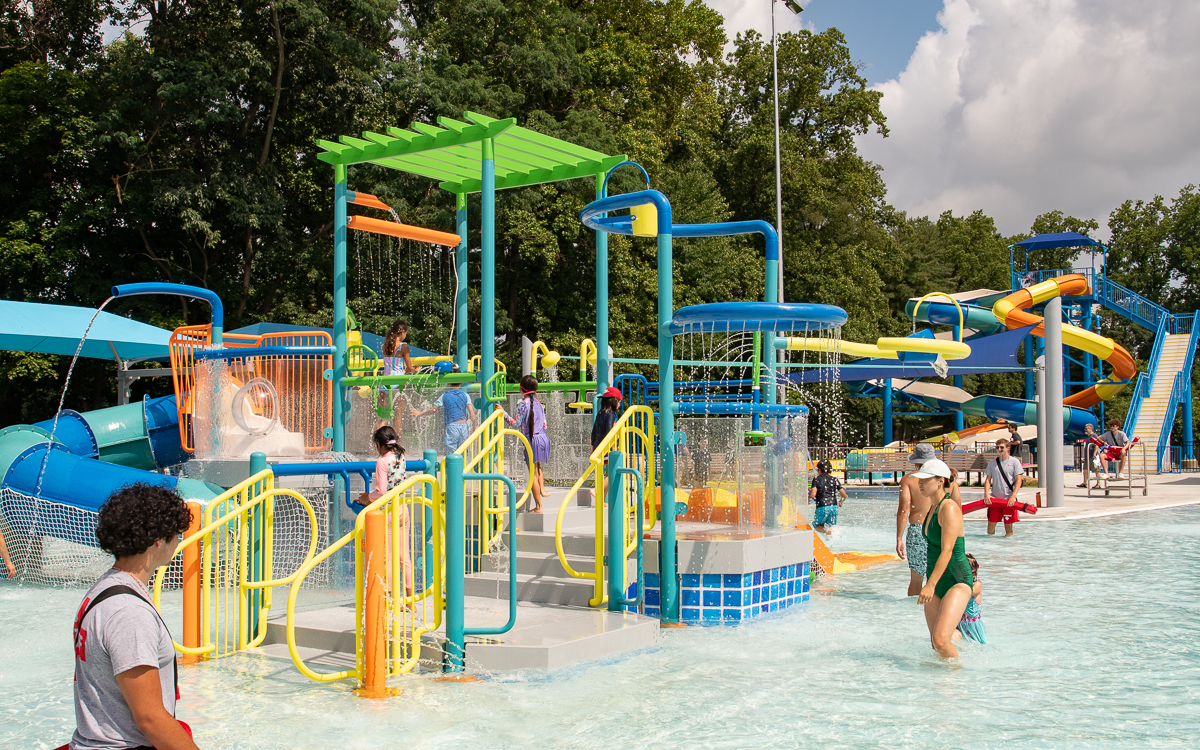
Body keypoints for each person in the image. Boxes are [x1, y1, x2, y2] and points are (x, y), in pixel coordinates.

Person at [67, 484, 200, 750]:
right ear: (157, 540)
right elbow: (150, 719)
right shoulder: (129, 613)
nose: (179, 541)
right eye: (176, 534)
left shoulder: (103, 588)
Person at [914, 459, 975, 661]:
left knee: (941, 641)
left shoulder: (948, 508)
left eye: (925, 479)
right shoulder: (932, 507)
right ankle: (942, 687)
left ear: (940, 481)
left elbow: (947, 551)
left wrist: (929, 585)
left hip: (955, 578)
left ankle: (959, 680)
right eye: (919, 480)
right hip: (935, 578)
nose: (920, 483)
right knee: (935, 644)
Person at [354, 426, 414, 593]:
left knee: (388, 556)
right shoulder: (401, 457)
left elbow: (381, 491)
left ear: (380, 444)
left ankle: (389, 597)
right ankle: (410, 601)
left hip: (388, 512)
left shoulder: (381, 462)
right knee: (404, 557)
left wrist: (367, 497)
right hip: (403, 508)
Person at [896, 443, 961, 597]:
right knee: (940, 576)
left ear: (916, 461)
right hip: (942, 530)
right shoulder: (948, 480)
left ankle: (913, 613)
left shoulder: (908, 479)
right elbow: (958, 511)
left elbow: (904, 509)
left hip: (918, 530)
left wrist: (899, 537)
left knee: (916, 579)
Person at [505, 375, 550, 513]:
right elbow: (544, 424)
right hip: (543, 438)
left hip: (532, 439)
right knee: (538, 466)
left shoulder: (523, 404)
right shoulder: (539, 403)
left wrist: (503, 414)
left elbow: (516, 423)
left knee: (532, 474)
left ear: (521, 388)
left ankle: (538, 506)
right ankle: (542, 489)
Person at [411, 376, 477, 454]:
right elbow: (471, 413)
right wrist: (475, 427)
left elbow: (433, 410)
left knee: (451, 453)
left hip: (452, 426)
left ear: (448, 383)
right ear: (461, 383)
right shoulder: (466, 395)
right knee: (463, 451)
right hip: (464, 426)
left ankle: (451, 466)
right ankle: (463, 465)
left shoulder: (444, 396)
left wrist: (420, 414)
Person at [378, 319, 416, 430]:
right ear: (403, 331)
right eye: (406, 333)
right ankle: (396, 445)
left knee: (384, 417)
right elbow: (409, 368)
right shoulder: (403, 346)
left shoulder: (385, 345)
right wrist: (416, 369)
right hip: (397, 382)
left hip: (384, 383)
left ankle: (377, 443)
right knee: (397, 418)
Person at [983, 438, 1025, 536]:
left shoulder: (1014, 462)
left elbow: (1019, 479)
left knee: (1008, 527)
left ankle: (1008, 548)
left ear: (1008, 448)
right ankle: (990, 546)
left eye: (1002, 447)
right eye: (997, 447)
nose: (999, 449)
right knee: (990, 526)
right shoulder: (992, 462)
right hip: (995, 499)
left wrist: (1013, 495)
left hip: (1008, 500)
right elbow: (988, 480)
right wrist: (986, 494)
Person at [591, 386, 623, 502]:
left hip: (597, 446)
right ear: (614, 401)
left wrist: (592, 446)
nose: (619, 404)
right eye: (619, 402)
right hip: (606, 447)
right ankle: (597, 490)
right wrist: (617, 444)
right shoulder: (610, 414)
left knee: (605, 473)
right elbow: (610, 431)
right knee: (613, 472)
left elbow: (594, 431)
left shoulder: (600, 413)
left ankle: (602, 500)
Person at [956, 553, 988, 645]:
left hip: (973, 625)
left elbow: (970, 592)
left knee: (977, 645)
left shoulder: (977, 584)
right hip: (960, 623)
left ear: (974, 575)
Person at [808, 459, 847, 534]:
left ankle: (828, 532)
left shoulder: (816, 480)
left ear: (819, 470)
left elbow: (813, 495)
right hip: (834, 507)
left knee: (816, 525)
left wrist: (807, 499)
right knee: (832, 527)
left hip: (822, 507)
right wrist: (841, 502)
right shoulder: (834, 479)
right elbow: (844, 495)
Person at [1078, 422, 1100, 487]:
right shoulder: (1088, 437)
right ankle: (1084, 483)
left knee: (1096, 470)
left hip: (1092, 456)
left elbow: (1097, 445)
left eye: (1086, 428)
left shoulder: (1094, 436)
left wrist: (1094, 454)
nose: (1085, 429)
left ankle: (1098, 484)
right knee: (1085, 470)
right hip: (1088, 456)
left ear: (1091, 429)